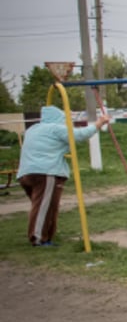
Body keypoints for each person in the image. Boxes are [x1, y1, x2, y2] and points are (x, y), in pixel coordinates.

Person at [16, 105, 111, 247]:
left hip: (26, 173)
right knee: (44, 207)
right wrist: (98, 124)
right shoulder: (55, 128)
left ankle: (46, 235)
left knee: (45, 206)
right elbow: (79, 135)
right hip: (45, 172)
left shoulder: (32, 129)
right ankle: (38, 238)